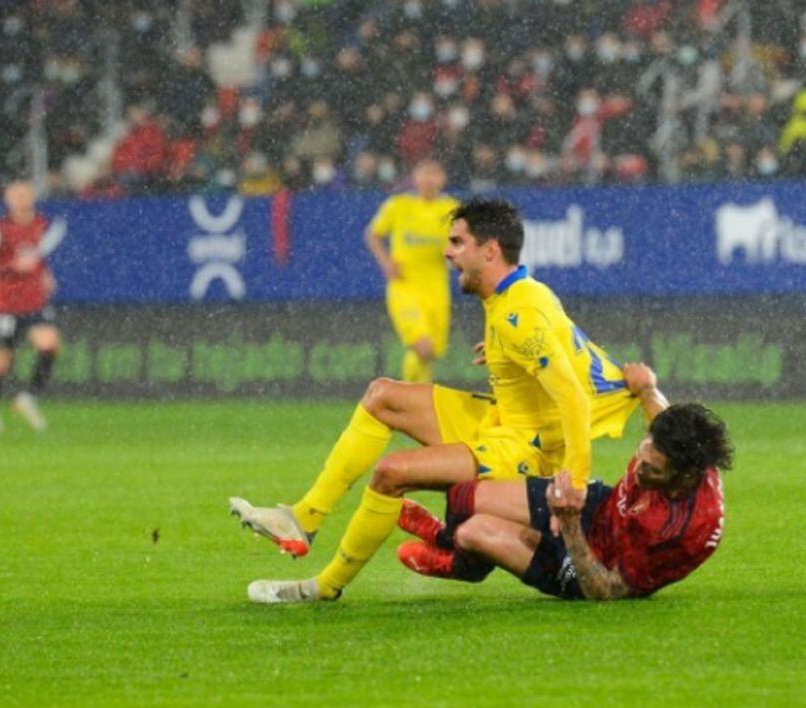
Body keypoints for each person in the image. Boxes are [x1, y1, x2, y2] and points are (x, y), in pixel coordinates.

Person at [235, 198, 642, 603]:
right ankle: (302, 520)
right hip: (501, 418)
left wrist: (573, 485)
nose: (446, 251)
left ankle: (323, 587)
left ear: (490, 250)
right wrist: (501, 348)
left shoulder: (520, 315)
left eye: (457, 242)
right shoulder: (520, 294)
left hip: (524, 446)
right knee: (383, 396)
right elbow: (576, 356)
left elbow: (574, 397)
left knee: (391, 472)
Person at [396, 365, 732, 601]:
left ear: (684, 476)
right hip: (597, 507)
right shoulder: (678, 445)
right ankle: (446, 538)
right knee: (462, 496)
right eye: (640, 456)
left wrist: (569, 523)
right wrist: (647, 388)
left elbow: (606, 591)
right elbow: (660, 414)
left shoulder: (676, 531)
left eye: (652, 471)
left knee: (473, 531)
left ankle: (462, 563)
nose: (639, 471)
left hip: (590, 563)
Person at [0, 181, 61, 434]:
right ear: (7, 199)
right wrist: (12, 265)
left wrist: (45, 274)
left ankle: (28, 398)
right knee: (2, 361)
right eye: (17, 195)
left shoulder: (39, 224)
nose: (22, 199)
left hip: (34, 301)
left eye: (25, 195)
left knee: (50, 344)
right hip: (7, 305)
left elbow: (37, 256)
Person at [364, 159, 458, 383]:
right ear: (415, 177)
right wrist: (386, 263)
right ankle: (410, 398)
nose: (429, 179)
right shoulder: (398, 205)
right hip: (404, 287)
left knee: (430, 353)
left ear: (443, 178)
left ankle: (415, 401)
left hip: (436, 290)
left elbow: (461, 247)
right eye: (424, 173)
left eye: (434, 173)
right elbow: (373, 234)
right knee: (423, 347)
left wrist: (455, 257)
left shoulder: (452, 209)